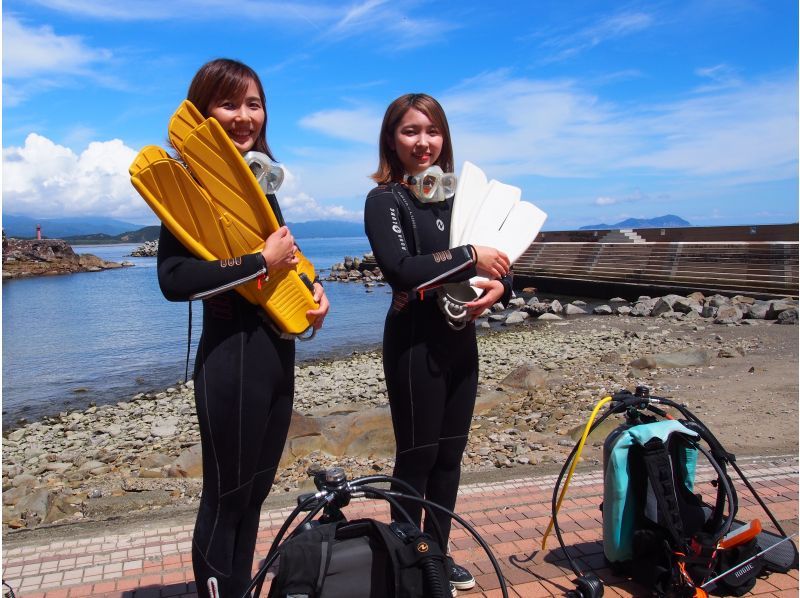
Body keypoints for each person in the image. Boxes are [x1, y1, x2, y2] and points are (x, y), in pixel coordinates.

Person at [157, 58, 329, 598]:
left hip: (276, 357)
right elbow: (174, 278)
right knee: (225, 498)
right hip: (231, 359)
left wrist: (313, 300)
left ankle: (237, 590)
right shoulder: (188, 185)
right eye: (228, 104)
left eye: (253, 104)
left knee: (254, 495)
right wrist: (259, 260)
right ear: (203, 111)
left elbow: (282, 269)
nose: (243, 115)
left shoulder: (257, 181)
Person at [363, 93, 511, 595]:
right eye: (410, 131)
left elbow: (499, 261)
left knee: (450, 459)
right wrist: (471, 256)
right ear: (392, 140)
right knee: (417, 459)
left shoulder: (454, 200)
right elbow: (401, 271)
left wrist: (500, 287)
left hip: (459, 342)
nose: (422, 142)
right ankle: (408, 563)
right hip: (412, 346)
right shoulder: (386, 200)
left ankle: (439, 556)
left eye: (432, 131)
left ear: (444, 137)